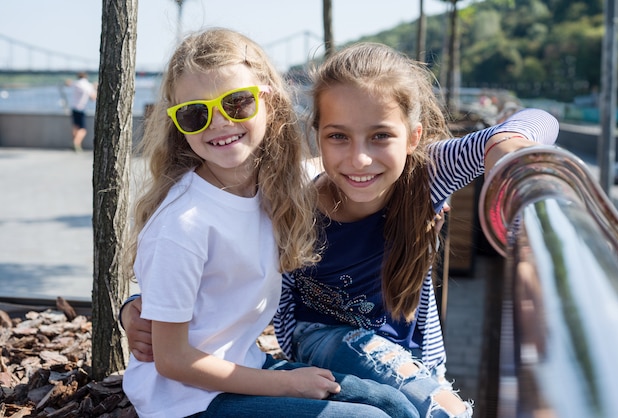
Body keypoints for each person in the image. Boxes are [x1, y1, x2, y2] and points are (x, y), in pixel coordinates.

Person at [121, 42, 560, 417]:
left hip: (412, 358)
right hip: (317, 341)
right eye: (338, 137)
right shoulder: (290, 192)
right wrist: (138, 304)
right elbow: (192, 251)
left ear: (413, 137)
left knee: (425, 402)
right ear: (317, 135)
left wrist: (506, 149)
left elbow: (541, 119)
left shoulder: (425, 174)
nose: (360, 160)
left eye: (381, 136)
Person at [121, 28, 420, 418]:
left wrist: (419, 192)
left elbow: (342, 168)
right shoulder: (184, 224)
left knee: (395, 404)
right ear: (179, 123)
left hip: (242, 369)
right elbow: (172, 360)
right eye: (196, 113)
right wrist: (287, 384)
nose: (219, 123)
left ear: (271, 103)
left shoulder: (273, 188)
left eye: (237, 103)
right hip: (186, 400)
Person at [68, 71, 97, 152]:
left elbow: (68, 83)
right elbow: (93, 98)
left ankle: (76, 144)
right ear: (86, 77)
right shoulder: (87, 85)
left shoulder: (75, 83)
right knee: (83, 129)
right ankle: (76, 143)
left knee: (76, 127)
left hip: (74, 107)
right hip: (81, 108)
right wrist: (95, 88)